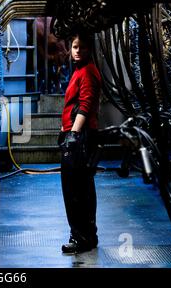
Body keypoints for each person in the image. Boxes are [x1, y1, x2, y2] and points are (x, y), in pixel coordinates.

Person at [58, 30, 102, 254]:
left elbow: (85, 105)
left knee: (75, 190)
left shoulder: (87, 72)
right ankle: (88, 236)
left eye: (82, 48)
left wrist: (73, 135)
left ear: (89, 49)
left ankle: (80, 238)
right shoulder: (80, 71)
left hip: (81, 137)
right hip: (78, 135)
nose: (77, 51)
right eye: (75, 47)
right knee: (82, 188)